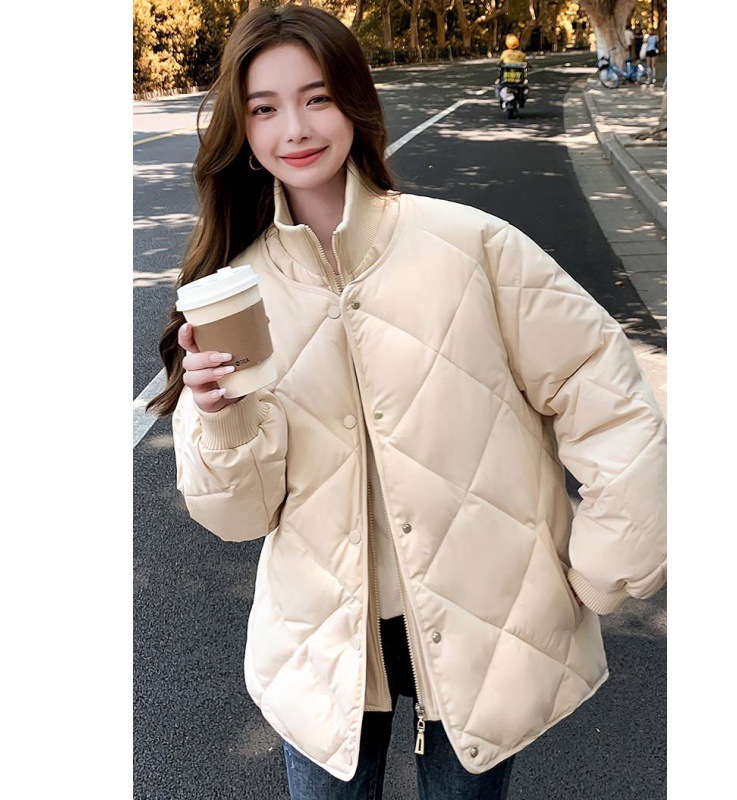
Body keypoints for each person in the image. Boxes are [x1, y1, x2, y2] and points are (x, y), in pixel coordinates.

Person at [148, 5, 667, 799]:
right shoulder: (234, 295)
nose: (296, 128)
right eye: (265, 108)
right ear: (242, 132)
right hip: (320, 645)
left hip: (485, 625)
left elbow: (608, 398)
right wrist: (219, 419)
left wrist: (602, 568)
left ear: (354, 103)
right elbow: (239, 517)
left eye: (317, 98)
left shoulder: (471, 245)